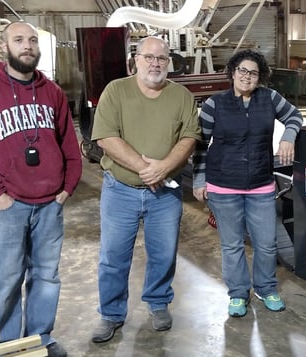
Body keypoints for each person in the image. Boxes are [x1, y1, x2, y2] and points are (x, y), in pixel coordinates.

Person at [0, 21, 82, 357]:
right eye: (19, 40)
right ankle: (10, 343)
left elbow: (69, 143)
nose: (27, 46)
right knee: (9, 279)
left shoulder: (53, 91)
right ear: (5, 47)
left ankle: (40, 339)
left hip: (50, 203)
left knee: (47, 277)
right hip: (10, 204)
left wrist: (67, 188)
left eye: (31, 40)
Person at [90, 36, 201, 342]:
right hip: (120, 190)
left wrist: (163, 168)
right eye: (148, 57)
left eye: (162, 58)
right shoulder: (116, 91)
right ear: (135, 60)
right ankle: (111, 314)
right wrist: (146, 168)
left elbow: (189, 137)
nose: (155, 63)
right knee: (113, 256)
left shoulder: (181, 96)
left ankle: (158, 302)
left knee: (163, 253)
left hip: (166, 193)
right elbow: (105, 138)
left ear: (169, 63)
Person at [192, 49, 303, 317]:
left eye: (253, 72)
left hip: (261, 185)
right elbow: (200, 145)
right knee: (232, 246)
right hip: (222, 185)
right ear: (232, 72)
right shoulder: (214, 104)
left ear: (260, 77)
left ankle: (265, 288)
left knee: (266, 243)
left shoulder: (269, 98)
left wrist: (288, 136)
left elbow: (294, 116)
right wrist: (199, 179)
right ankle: (238, 294)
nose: (247, 76)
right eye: (242, 70)